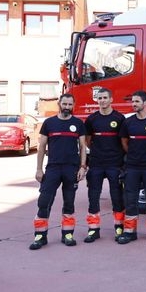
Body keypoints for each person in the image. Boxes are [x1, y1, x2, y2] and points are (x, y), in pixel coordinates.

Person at [29, 93, 87, 250]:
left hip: (71, 169)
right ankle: (40, 237)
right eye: (65, 104)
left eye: (70, 104)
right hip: (53, 168)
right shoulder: (49, 123)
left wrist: (82, 167)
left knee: (69, 202)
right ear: (59, 104)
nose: (67, 107)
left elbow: (82, 147)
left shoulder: (78, 123)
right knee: (44, 202)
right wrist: (39, 169)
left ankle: (67, 234)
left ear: (73, 106)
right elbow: (41, 147)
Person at [116, 90, 146, 245]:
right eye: (133, 101)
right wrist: (134, 155)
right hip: (132, 167)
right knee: (130, 200)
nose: (133, 104)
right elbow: (124, 142)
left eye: (137, 101)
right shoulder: (128, 123)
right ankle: (129, 232)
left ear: (145, 103)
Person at [84, 88, 126, 242]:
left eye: (105, 98)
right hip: (96, 164)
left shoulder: (119, 118)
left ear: (111, 100)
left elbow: (124, 141)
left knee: (117, 197)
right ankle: (93, 230)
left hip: (115, 164)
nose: (102, 100)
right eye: (99, 98)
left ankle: (119, 227)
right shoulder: (92, 119)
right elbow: (87, 141)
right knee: (93, 197)